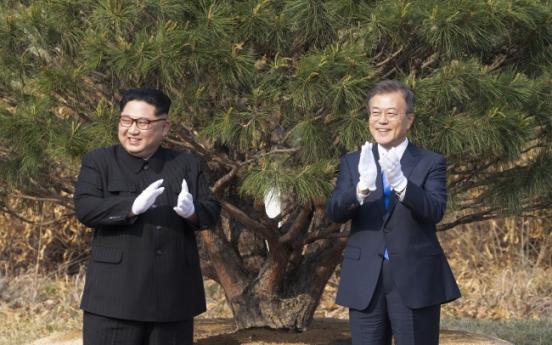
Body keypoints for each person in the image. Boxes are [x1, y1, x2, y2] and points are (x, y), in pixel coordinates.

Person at [73, 88, 221, 345]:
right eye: (126, 120)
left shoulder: (185, 164)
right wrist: (131, 207)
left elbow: (211, 211)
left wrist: (193, 211)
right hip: (115, 299)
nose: (132, 130)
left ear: (164, 128)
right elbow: (86, 208)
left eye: (143, 123)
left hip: (173, 299)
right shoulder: (99, 162)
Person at [325, 80, 460, 345]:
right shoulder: (354, 162)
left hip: (415, 276)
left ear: (409, 119)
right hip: (365, 277)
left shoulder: (431, 162)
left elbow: (435, 211)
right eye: (376, 113)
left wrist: (401, 184)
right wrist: (361, 188)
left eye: (391, 113)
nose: (382, 120)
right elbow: (335, 212)